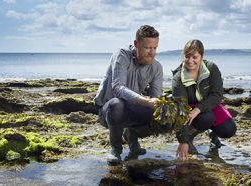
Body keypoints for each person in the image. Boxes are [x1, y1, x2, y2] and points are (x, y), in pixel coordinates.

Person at [94, 25, 163, 165]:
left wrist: (157, 103)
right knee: (117, 104)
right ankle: (116, 149)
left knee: (165, 117)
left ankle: (132, 135)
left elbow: (156, 97)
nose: (152, 52)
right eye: (147, 48)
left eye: (155, 48)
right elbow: (118, 88)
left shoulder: (157, 67)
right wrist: (145, 101)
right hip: (109, 112)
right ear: (136, 44)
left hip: (134, 110)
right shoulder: (122, 55)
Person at [172, 39, 237, 161]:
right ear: (183, 56)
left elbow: (217, 94)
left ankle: (212, 133)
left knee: (229, 129)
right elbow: (180, 110)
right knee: (207, 118)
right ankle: (190, 137)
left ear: (201, 56)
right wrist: (183, 141)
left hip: (209, 104)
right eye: (187, 56)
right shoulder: (178, 79)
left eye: (195, 57)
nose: (190, 61)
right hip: (189, 108)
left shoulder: (211, 68)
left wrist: (198, 109)